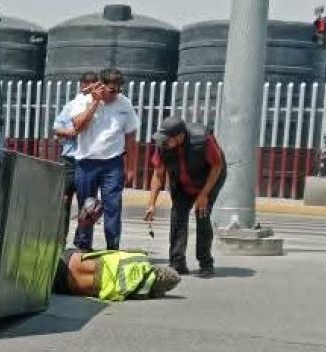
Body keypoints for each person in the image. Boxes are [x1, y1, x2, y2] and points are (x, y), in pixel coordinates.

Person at [144, 115, 226, 278]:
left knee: (202, 215)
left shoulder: (202, 140)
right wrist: (151, 203)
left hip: (208, 180)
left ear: (180, 136)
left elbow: (217, 166)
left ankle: (206, 264)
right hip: (182, 183)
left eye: (168, 139)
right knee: (178, 216)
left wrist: (204, 194)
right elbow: (158, 174)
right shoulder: (163, 146)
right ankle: (177, 263)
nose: (164, 143)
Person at [67, 68, 140, 251]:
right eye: (111, 90)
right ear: (100, 86)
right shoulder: (83, 101)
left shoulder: (125, 105)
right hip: (86, 163)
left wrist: (130, 167)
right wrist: (95, 103)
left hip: (112, 164)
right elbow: (77, 126)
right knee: (87, 207)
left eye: (118, 90)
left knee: (113, 207)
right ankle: (83, 247)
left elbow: (131, 137)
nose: (115, 94)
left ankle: (112, 248)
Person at [53, 248, 181, 301]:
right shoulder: (139, 293)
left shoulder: (139, 258)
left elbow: (112, 252)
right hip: (65, 286)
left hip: (69, 259)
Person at [52, 73, 97, 211]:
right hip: (70, 158)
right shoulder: (71, 106)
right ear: (81, 86)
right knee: (64, 198)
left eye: (92, 87)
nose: (88, 91)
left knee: (87, 203)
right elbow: (56, 128)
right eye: (86, 87)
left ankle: (83, 232)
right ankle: (61, 230)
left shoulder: (99, 107)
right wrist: (68, 132)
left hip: (89, 159)